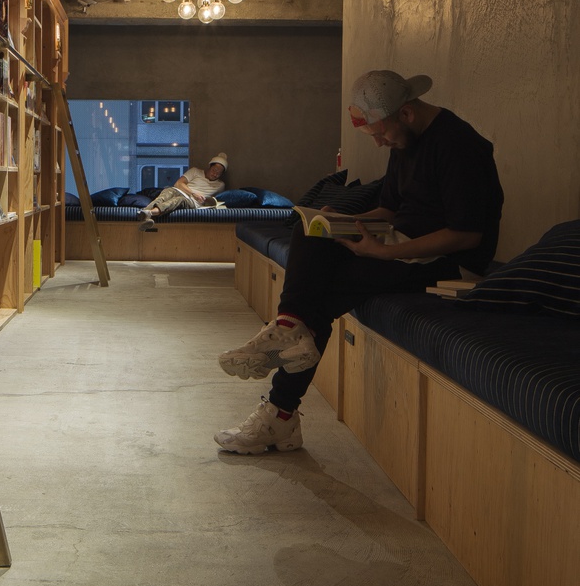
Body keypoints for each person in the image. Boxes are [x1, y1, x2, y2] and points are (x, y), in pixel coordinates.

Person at [213, 71, 503, 454]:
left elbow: (466, 236)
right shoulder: (405, 142)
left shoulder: (459, 146)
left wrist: (381, 251)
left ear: (407, 114)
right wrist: (347, 222)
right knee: (309, 228)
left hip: (449, 262)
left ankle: (282, 403)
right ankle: (288, 330)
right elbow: (394, 207)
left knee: (324, 288)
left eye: (381, 134)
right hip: (406, 243)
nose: (381, 143)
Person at [138, 152, 228, 232]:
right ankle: (145, 214)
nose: (215, 174)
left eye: (219, 173)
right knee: (168, 192)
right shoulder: (195, 171)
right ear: (210, 166)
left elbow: (220, 199)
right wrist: (193, 193)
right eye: (214, 170)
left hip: (193, 202)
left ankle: (149, 213)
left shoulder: (220, 185)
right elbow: (178, 183)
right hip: (183, 191)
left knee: (179, 200)